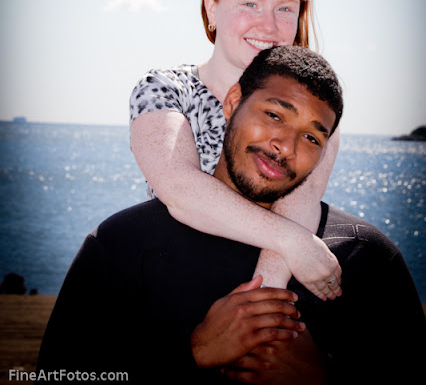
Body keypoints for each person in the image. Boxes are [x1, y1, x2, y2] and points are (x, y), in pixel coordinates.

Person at [37, 47, 426, 384]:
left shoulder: (364, 256)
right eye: (274, 114)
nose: (286, 146)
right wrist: (193, 352)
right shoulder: (123, 243)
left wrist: (323, 377)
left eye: (311, 137)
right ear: (233, 101)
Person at [130, 0, 341, 298]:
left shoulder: (317, 111)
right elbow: (179, 187)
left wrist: (260, 305)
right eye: (250, 3)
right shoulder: (166, 90)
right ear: (212, 8)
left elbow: (299, 205)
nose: (269, 25)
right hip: (173, 280)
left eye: (285, 9)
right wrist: (293, 241)